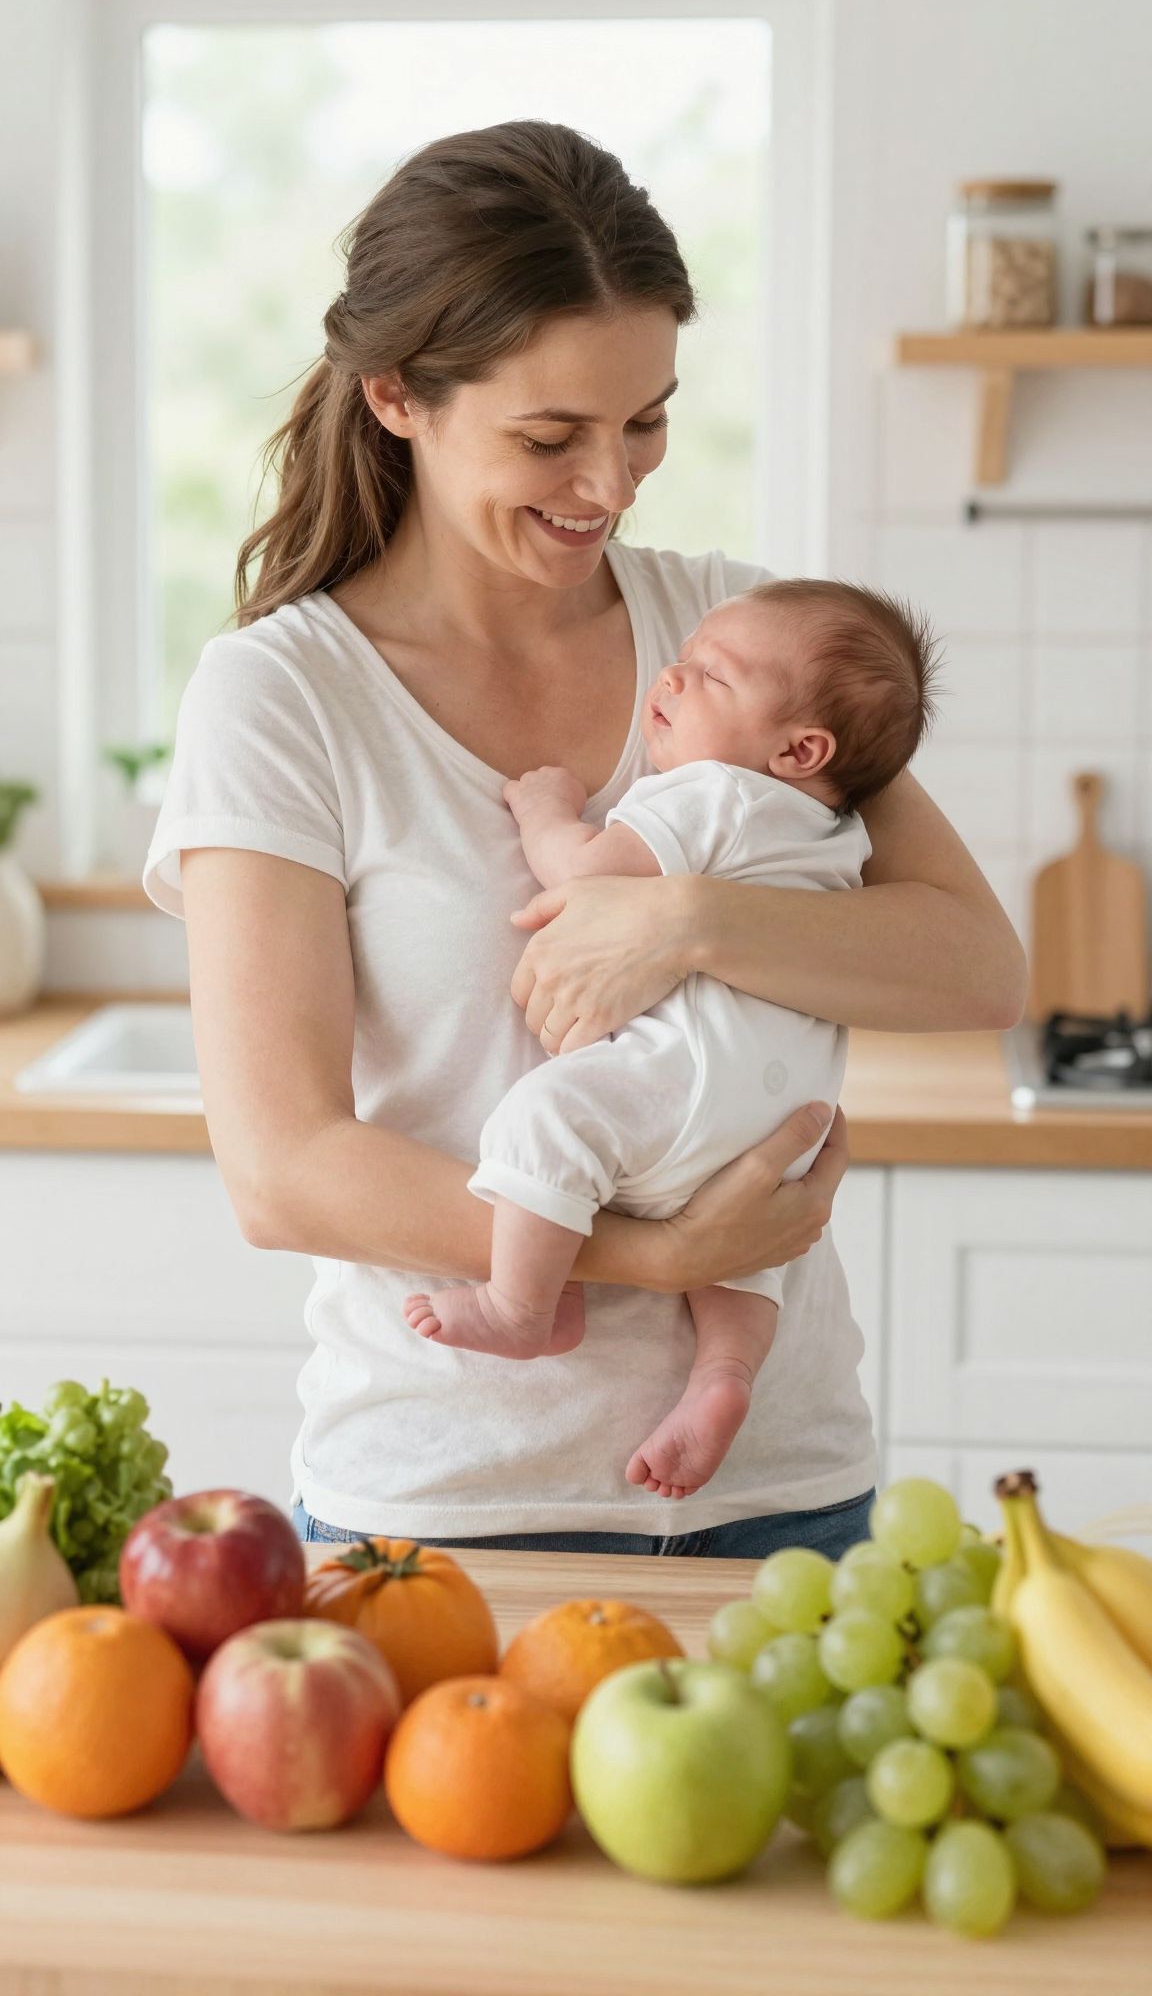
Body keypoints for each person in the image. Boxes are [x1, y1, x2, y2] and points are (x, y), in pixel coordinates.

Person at [143, 120, 1025, 1562]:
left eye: (646, 422)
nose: (611, 486)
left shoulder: (736, 640)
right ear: (397, 396)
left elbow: (977, 968)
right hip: (449, 1507)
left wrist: (684, 920)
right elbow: (283, 1166)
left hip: (780, 1490)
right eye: (551, 437)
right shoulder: (284, 694)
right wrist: (659, 1256)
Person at [404, 579, 938, 1504]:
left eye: (712, 677)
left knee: (546, 1119)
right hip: (783, 1120)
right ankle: (723, 1371)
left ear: (798, 750)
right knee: (751, 1251)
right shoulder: (839, 838)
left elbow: (587, 874)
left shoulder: (715, 795)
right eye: (684, 659)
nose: (674, 678)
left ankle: (523, 1305)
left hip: (679, 1090)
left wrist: (544, 810)